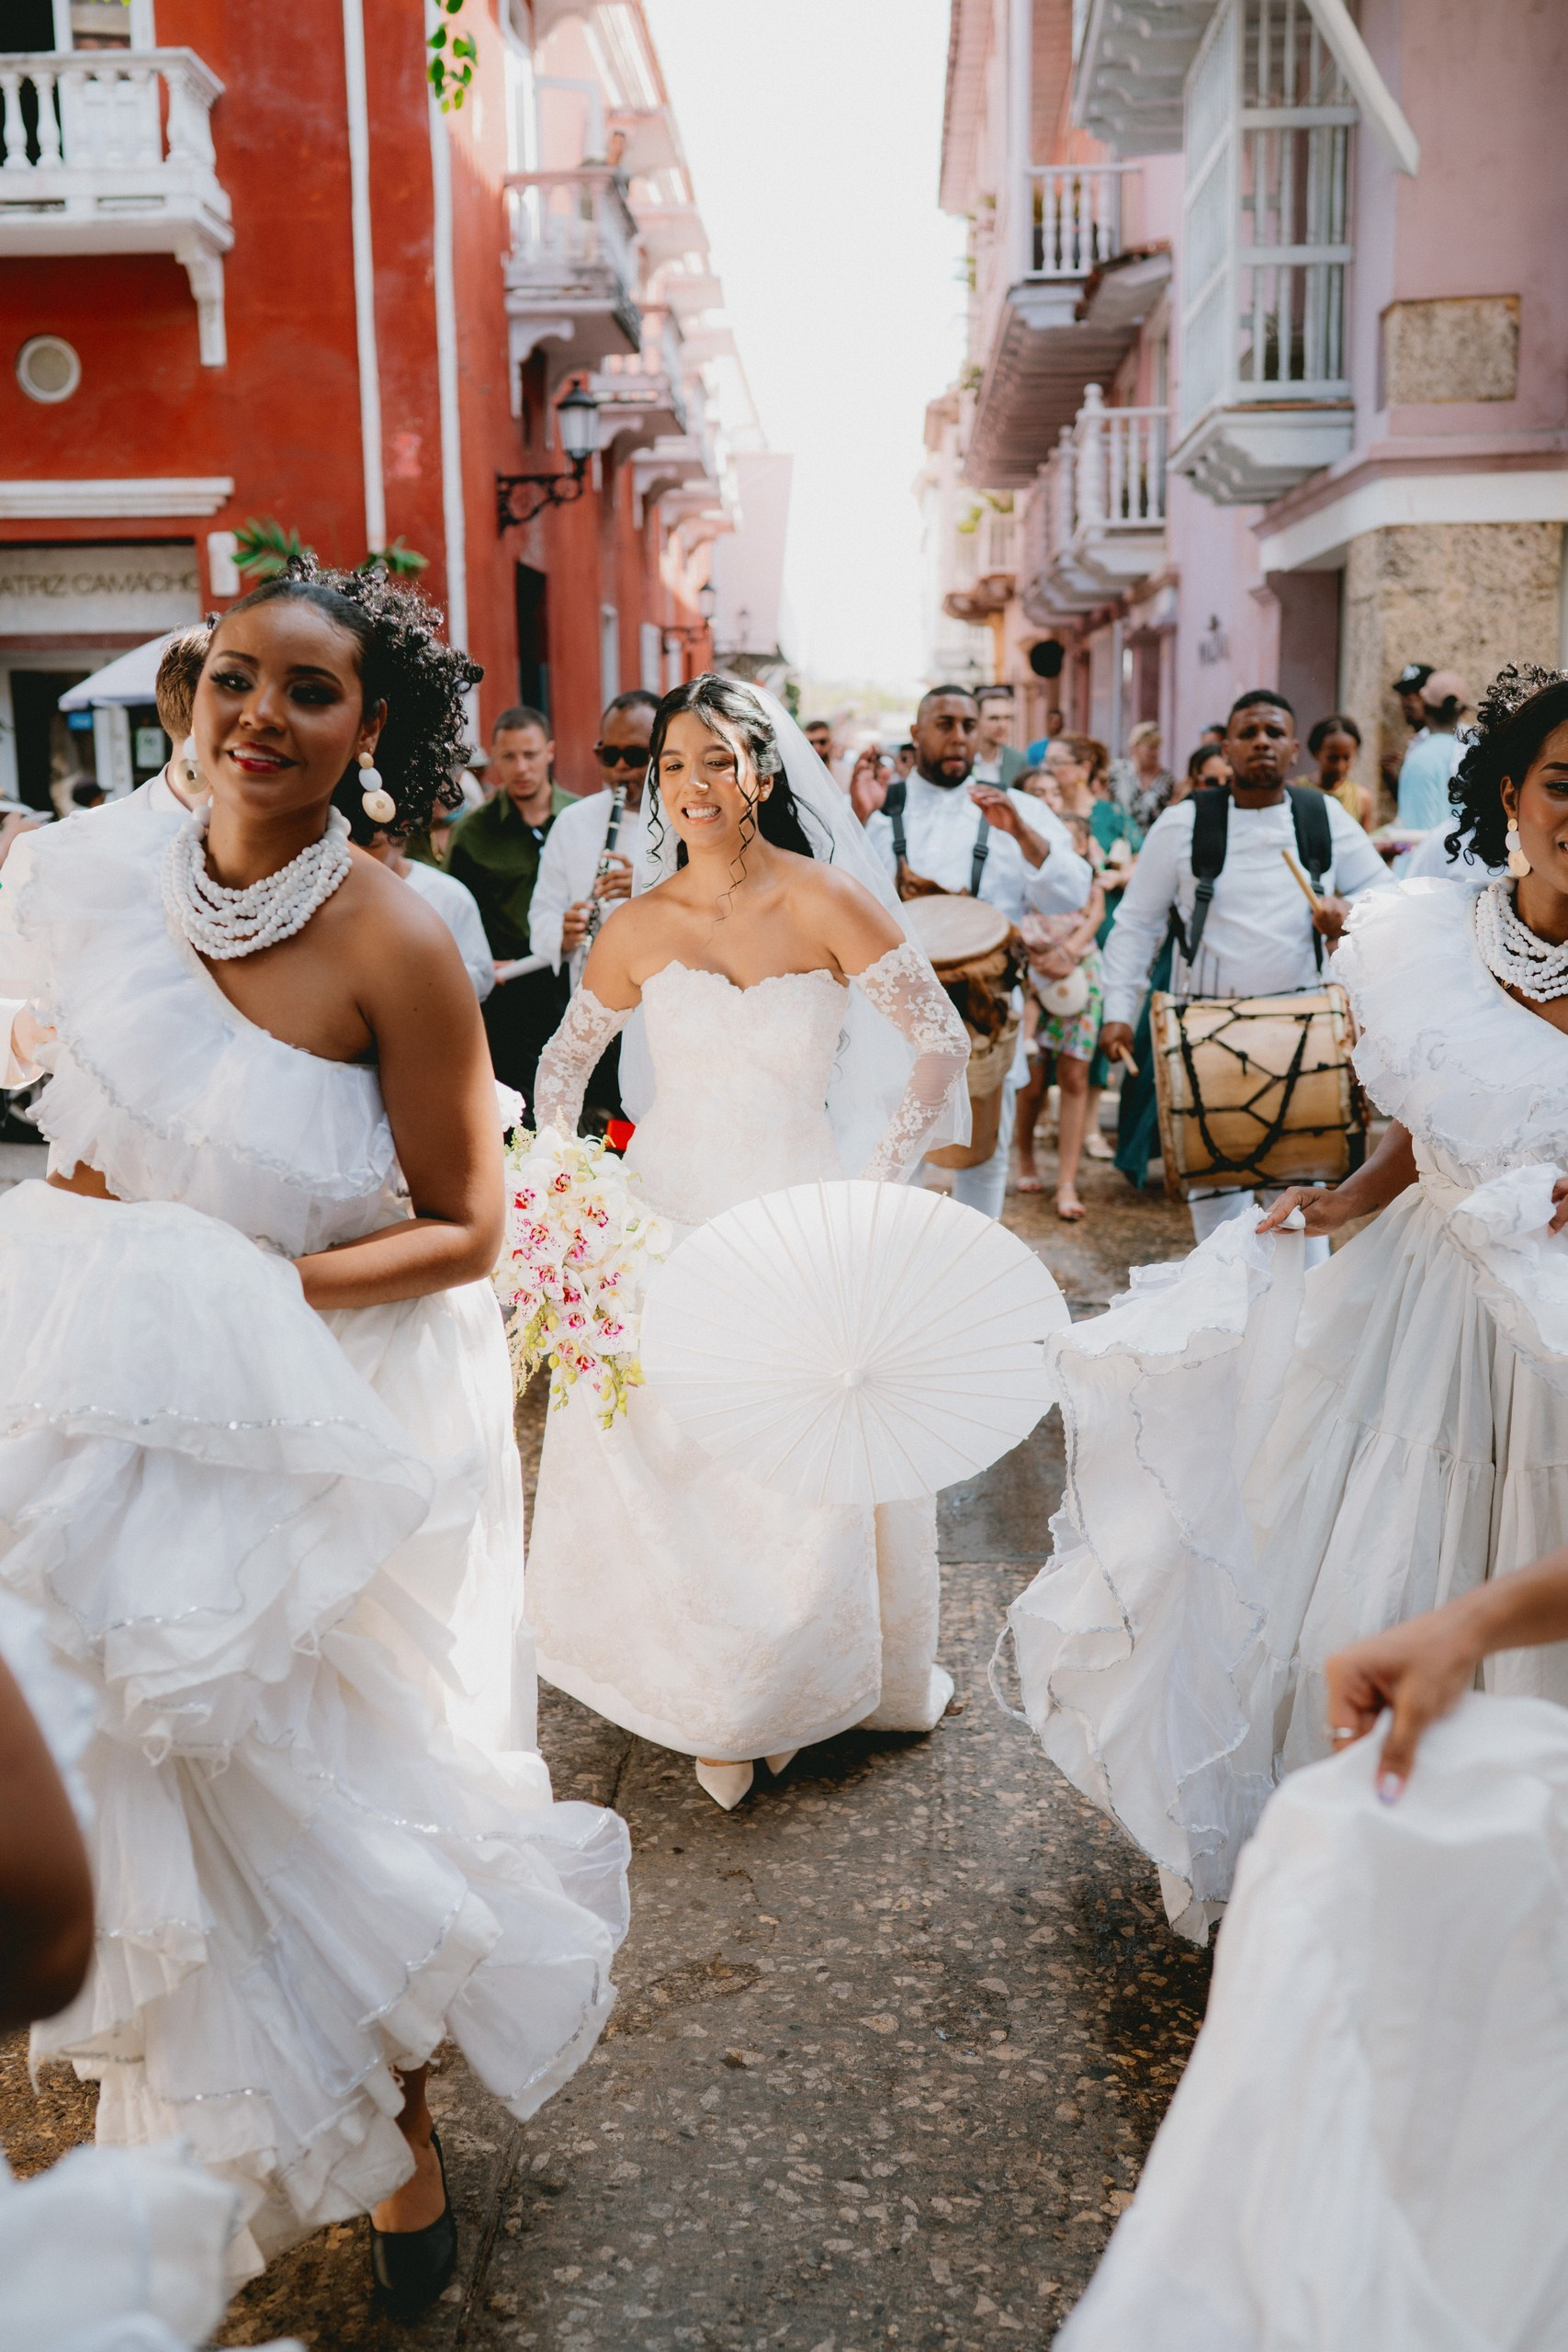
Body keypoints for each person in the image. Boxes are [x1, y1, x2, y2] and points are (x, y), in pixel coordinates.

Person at [0, 560, 629, 2314]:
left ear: (371, 733)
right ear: (192, 700)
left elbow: (467, 1226)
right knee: (166, 1758)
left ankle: (401, 2137)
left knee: (338, 1780)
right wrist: (106, 1225)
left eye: (308, 693)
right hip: (138, 1384)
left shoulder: (397, 933)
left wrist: (248, 1285)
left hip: (345, 1409)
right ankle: (211, 2131)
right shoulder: (115, 881)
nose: (258, 718)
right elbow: (108, 1121)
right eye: (232, 681)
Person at [1004, 662, 1568, 1943]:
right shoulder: (1434, 933)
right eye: (1560, 784)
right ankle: (1373, 1869)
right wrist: (1343, 1201)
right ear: (1506, 792)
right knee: (1386, 1542)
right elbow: (1423, 1120)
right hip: (1424, 1308)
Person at [525, 675, 971, 1812]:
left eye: (714, 760)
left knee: (787, 1462)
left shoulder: (828, 903)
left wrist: (872, 1192)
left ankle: (779, 1689)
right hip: (665, 1208)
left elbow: (939, 1041)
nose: (691, 785)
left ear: (762, 772)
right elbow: (564, 1067)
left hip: (796, 1204)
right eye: (672, 765)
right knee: (671, 1456)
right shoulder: (637, 923)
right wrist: (573, 1197)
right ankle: (702, 1684)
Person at [1098, 689, 1392, 1250]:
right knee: (1222, 1230)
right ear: (1226, 747)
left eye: (1275, 733)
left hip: (1306, 1035)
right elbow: (1135, 926)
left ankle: (1297, 1334)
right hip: (1208, 1032)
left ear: (1293, 749)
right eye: (1249, 733)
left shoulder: (1320, 816)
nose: (1262, 742)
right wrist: (1116, 1012)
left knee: (1303, 1218)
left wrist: (1348, 914)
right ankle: (1227, 1330)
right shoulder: (1183, 825)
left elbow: (1388, 896)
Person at [863, 684, 1091, 1220]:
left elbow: (1073, 892)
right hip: (899, 1022)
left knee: (984, 1158)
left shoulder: (1019, 807)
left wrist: (1023, 834)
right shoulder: (881, 815)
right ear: (917, 734)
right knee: (899, 1162)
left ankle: (973, 1280)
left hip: (987, 1018)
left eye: (968, 725)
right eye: (944, 724)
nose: (959, 737)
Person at [527, 687, 659, 1132]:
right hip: (594, 1013)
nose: (620, 768)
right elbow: (541, 915)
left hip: (664, 1019)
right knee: (604, 1139)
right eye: (610, 754)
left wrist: (644, 886)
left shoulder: (688, 821)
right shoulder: (574, 821)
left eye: (636, 754)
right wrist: (563, 931)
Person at [446, 704, 572, 1106]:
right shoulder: (472, 832)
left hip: (574, 979)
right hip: (509, 993)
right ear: (495, 758)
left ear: (550, 752)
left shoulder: (580, 818)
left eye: (531, 755)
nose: (521, 768)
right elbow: (455, 912)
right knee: (518, 1110)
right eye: (509, 756)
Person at [334, 778, 495, 1000]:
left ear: (403, 829)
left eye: (373, 846)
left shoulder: (448, 895)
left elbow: (482, 976)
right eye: (353, 846)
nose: (363, 858)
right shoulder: (331, 894)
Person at [1396, 668, 1469, 831]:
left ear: (1424, 704)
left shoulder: (1421, 757)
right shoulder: (1476, 750)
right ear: (1462, 710)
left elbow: (1415, 836)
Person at [1306, 712, 1372, 827]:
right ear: (1316, 753)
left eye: (1346, 758)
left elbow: (1364, 842)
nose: (1340, 766)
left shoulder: (1361, 798)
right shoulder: (1295, 791)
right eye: (1333, 758)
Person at [972, 686, 1029, 786]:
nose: (1002, 725)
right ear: (976, 720)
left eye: (1008, 718)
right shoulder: (963, 758)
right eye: (994, 718)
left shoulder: (1018, 761)